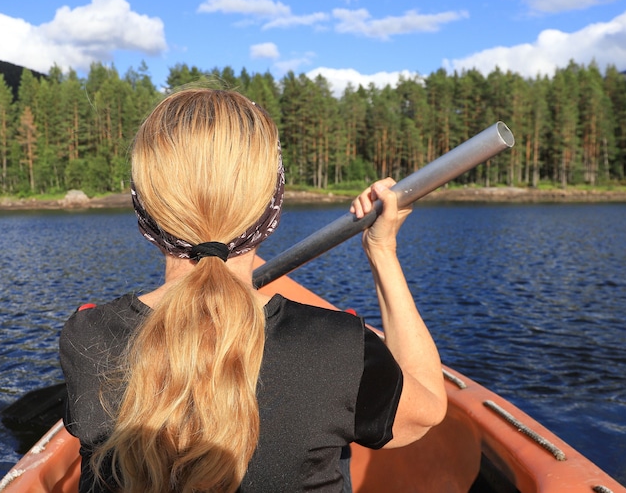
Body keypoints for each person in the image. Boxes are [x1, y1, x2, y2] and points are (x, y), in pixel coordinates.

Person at [59, 88, 447, 493]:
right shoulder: (338, 348)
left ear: (144, 211)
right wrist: (382, 250)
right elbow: (428, 410)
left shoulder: (86, 336)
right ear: (272, 206)